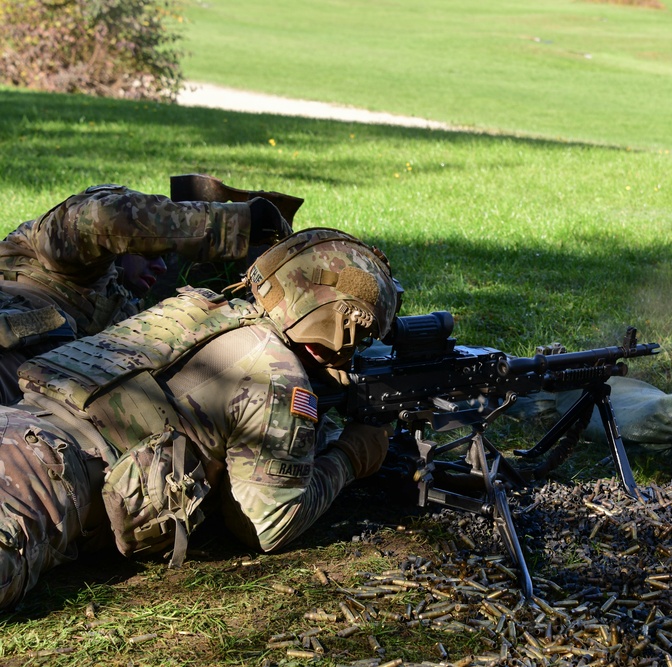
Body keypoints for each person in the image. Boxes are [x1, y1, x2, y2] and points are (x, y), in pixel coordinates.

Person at [0, 227, 400, 610]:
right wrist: (351, 456)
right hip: (43, 480)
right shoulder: (274, 371)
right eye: (359, 336)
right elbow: (269, 526)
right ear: (338, 323)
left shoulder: (195, 307)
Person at [0, 183, 292, 403]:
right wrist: (233, 221)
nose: (162, 267)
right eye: (151, 252)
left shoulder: (118, 303)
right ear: (118, 246)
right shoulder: (50, 249)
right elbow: (102, 217)